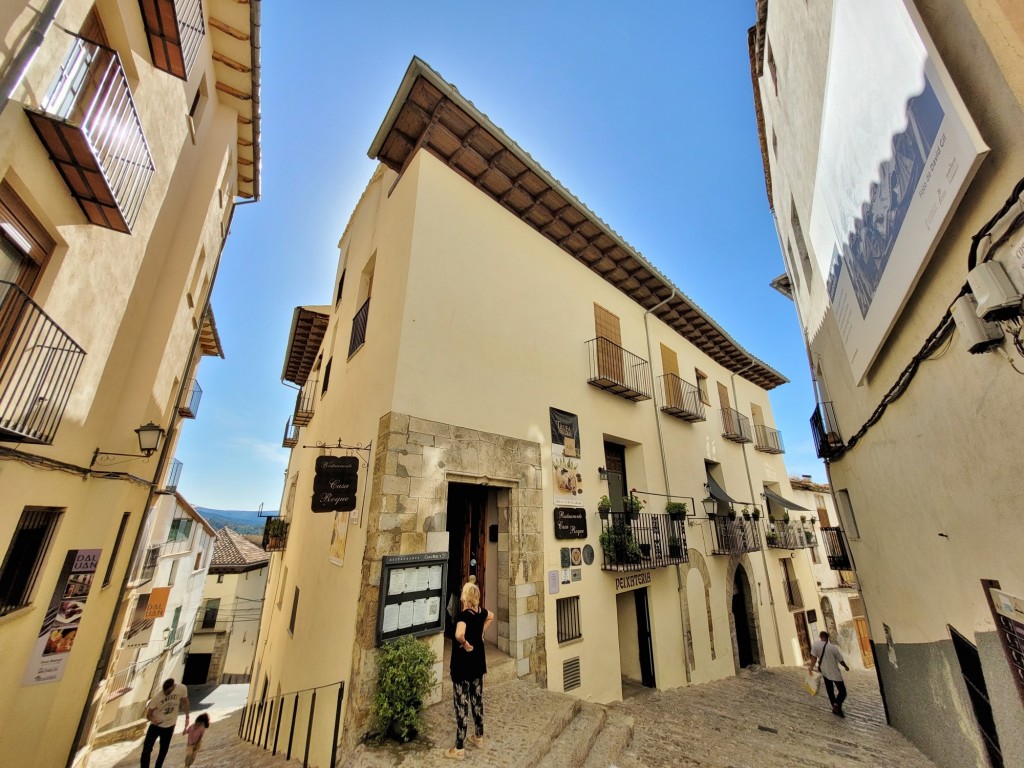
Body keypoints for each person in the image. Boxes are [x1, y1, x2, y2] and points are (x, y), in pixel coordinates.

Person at [444, 581, 494, 760]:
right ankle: (479, 737)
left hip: (462, 667)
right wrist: (481, 632)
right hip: (477, 665)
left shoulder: (463, 616)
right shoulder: (481, 612)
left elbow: (459, 634)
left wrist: (465, 644)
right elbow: (492, 616)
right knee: (477, 701)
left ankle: (459, 748)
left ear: (465, 597)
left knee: (461, 705)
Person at [141, 678, 189, 768]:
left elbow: (185, 702)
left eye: (168, 691)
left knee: (163, 750)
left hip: (170, 726)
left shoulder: (181, 688)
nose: (166, 693)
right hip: (156, 726)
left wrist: (187, 716)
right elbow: (148, 715)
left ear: (173, 686)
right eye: (165, 691)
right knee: (146, 750)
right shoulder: (157, 697)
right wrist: (153, 719)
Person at [809, 631, 851, 717]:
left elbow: (813, 658)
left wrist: (811, 667)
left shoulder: (816, 645)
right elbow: (840, 660)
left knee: (830, 690)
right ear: (827, 638)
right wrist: (846, 667)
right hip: (835, 672)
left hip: (824, 671)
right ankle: (837, 705)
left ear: (820, 636)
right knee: (842, 692)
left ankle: (835, 706)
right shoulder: (833, 648)